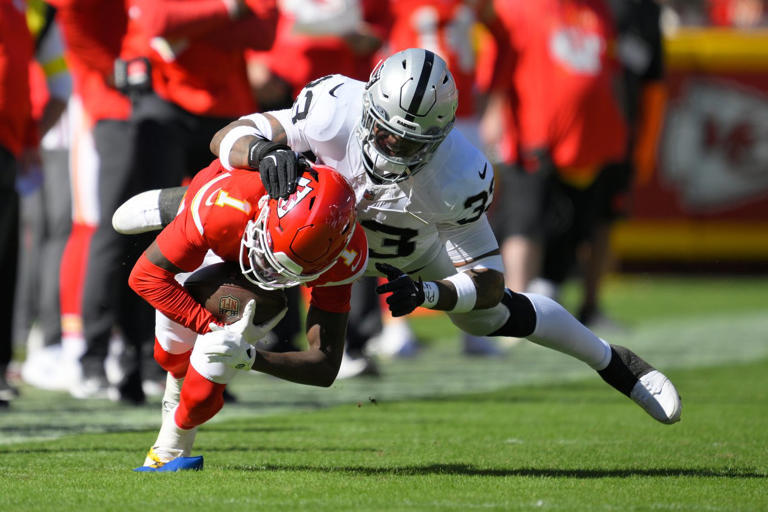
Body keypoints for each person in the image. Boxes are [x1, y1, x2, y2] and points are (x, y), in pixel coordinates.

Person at [122, 49, 682, 427]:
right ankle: (178, 204)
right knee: (239, 188)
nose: (391, 151)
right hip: (313, 231)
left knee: (486, 317)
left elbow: (489, 279)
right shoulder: (333, 108)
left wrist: (435, 295)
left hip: (400, 250)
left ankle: (613, 362)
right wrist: (265, 153)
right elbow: (232, 136)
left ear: (438, 139)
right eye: (387, 135)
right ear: (368, 109)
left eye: (409, 144)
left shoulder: (459, 175)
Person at [126, 158, 367, 471]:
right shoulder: (225, 206)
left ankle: (167, 450)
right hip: (222, 228)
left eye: (290, 273)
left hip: (249, 236)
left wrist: (250, 357)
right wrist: (210, 326)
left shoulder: (345, 255)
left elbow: (324, 366)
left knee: (211, 369)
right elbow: (144, 276)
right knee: (172, 355)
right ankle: (186, 202)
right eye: (273, 262)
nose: (270, 278)